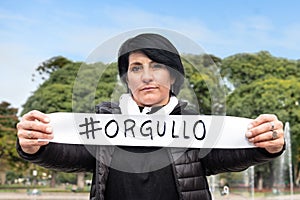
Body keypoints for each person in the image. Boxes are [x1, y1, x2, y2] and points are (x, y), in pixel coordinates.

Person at [16, 33, 285, 200]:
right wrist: (33, 146)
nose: (146, 76)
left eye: (157, 66)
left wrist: (267, 145)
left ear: (173, 76)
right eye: (136, 68)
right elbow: (67, 154)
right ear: (126, 78)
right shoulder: (102, 123)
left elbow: (233, 154)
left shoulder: (194, 124)